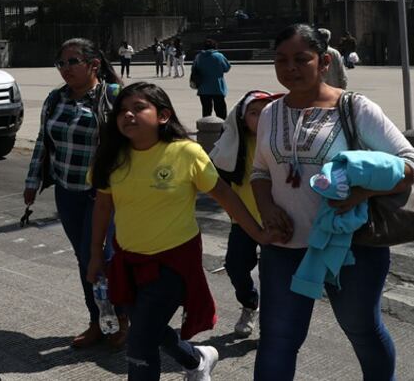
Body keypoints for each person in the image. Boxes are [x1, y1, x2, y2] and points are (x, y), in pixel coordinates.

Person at [250, 23, 414, 380]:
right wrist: (266, 208)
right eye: (281, 60)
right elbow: (260, 173)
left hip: (351, 246)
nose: (290, 68)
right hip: (285, 245)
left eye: (301, 59)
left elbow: (411, 165)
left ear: (324, 61)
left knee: (361, 330)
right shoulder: (270, 112)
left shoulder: (355, 108)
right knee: (278, 339)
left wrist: (362, 193)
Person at [86, 82, 273, 381]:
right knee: (150, 327)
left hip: (173, 263)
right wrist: (96, 254)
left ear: (163, 116)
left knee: (140, 341)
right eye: (122, 110)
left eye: (138, 108)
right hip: (128, 261)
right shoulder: (110, 158)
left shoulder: (186, 153)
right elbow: (102, 209)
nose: (128, 115)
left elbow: (225, 196)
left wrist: (258, 233)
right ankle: (197, 359)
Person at [23, 37, 129, 349]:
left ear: (93, 64)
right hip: (67, 191)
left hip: (103, 194)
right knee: (84, 260)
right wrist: (32, 182)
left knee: (98, 257)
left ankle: (120, 319)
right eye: (61, 62)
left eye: (72, 62)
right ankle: (98, 320)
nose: (65, 68)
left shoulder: (113, 96)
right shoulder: (56, 99)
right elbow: (43, 141)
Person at [208, 90, 282, 338]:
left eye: (266, 112)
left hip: (278, 221)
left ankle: (271, 326)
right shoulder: (233, 144)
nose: (260, 118)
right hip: (243, 221)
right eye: (253, 113)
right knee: (236, 267)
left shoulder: (281, 141)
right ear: (241, 118)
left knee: (274, 276)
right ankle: (250, 303)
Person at [192, 39, 231, 119]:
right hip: (217, 87)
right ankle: (222, 128)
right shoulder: (219, 56)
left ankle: (206, 128)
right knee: (221, 111)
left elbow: (194, 69)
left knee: (206, 111)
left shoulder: (198, 57)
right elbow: (227, 68)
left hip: (203, 88)